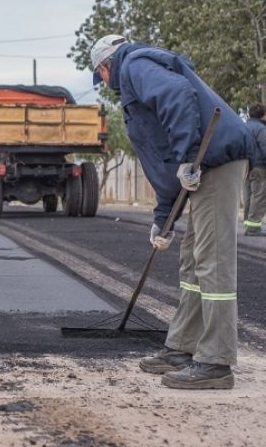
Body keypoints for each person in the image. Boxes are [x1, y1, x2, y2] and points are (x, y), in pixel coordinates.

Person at [91, 35, 255, 389]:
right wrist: (162, 221)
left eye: (100, 76)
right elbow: (163, 166)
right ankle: (182, 346)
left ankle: (216, 362)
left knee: (212, 260)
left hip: (216, 160)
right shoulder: (135, 88)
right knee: (191, 259)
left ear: (105, 67)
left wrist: (186, 155)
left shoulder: (134, 65)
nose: (104, 83)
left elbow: (176, 96)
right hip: (201, 162)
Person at [243, 103, 266, 236]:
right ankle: (254, 227)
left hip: (246, 166)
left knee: (249, 194)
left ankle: (248, 223)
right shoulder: (261, 129)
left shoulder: (243, 126)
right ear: (263, 115)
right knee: (259, 195)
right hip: (259, 166)